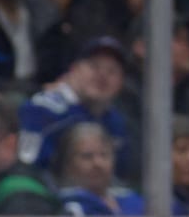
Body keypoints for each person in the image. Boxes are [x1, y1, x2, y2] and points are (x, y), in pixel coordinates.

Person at [17, 36, 132, 176]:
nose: (102, 76)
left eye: (112, 71)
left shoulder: (117, 122)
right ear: (74, 70)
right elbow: (25, 169)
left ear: (121, 83)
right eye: (94, 66)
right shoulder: (43, 110)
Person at [55, 121, 143, 215]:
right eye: (87, 156)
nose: (98, 163)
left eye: (104, 155)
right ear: (69, 165)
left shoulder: (134, 201)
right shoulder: (67, 208)